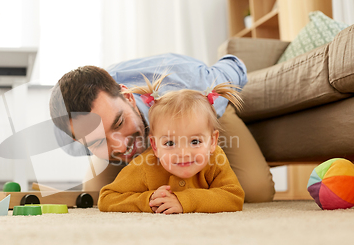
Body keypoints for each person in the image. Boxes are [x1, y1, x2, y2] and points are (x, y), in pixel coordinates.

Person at [49, 53, 275, 202]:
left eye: (119, 123)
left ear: (128, 97)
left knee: (255, 191)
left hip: (196, 114)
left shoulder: (190, 80)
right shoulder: (71, 136)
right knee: (95, 196)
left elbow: (234, 66)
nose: (120, 144)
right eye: (98, 141)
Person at [98, 78, 245, 213]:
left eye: (195, 141)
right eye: (170, 143)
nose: (183, 153)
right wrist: (148, 200)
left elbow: (234, 196)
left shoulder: (215, 158)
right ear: (155, 147)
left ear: (212, 142)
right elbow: (107, 198)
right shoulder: (145, 165)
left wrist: (186, 200)